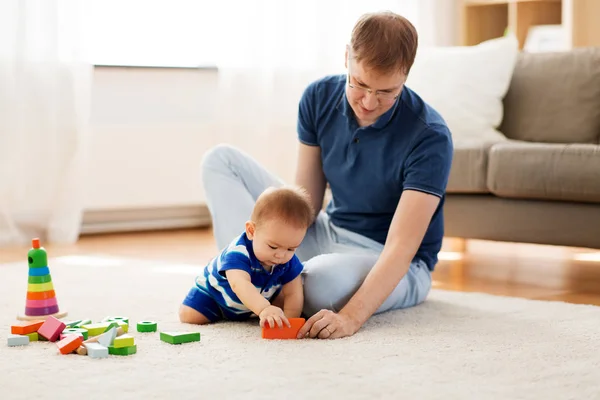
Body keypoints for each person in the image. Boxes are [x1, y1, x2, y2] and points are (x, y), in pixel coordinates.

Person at [199, 11, 453, 339]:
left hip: (386, 258)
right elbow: (305, 206)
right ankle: (241, 284)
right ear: (347, 56)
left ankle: (267, 289)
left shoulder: (430, 136)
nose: (369, 102)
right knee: (221, 161)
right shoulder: (318, 98)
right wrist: (272, 237)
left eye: (386, 91)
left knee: (317, 285)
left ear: (406, 74)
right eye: (359, 83)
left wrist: (349, 318)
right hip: (325, 233)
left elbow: (401, 249)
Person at [179, 186, 314, 328]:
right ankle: (248, 310)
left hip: (259, 297)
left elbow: (294, 292)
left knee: (284, 299)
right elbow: (239, 284)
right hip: (216, 296)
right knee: (189, 316)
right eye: (273, 247)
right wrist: (264, 308)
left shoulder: (288, 260)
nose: (280, 255)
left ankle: (257, 309)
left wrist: (289, 321)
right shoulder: (238, 253)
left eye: (291, 248)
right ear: (251, 231)